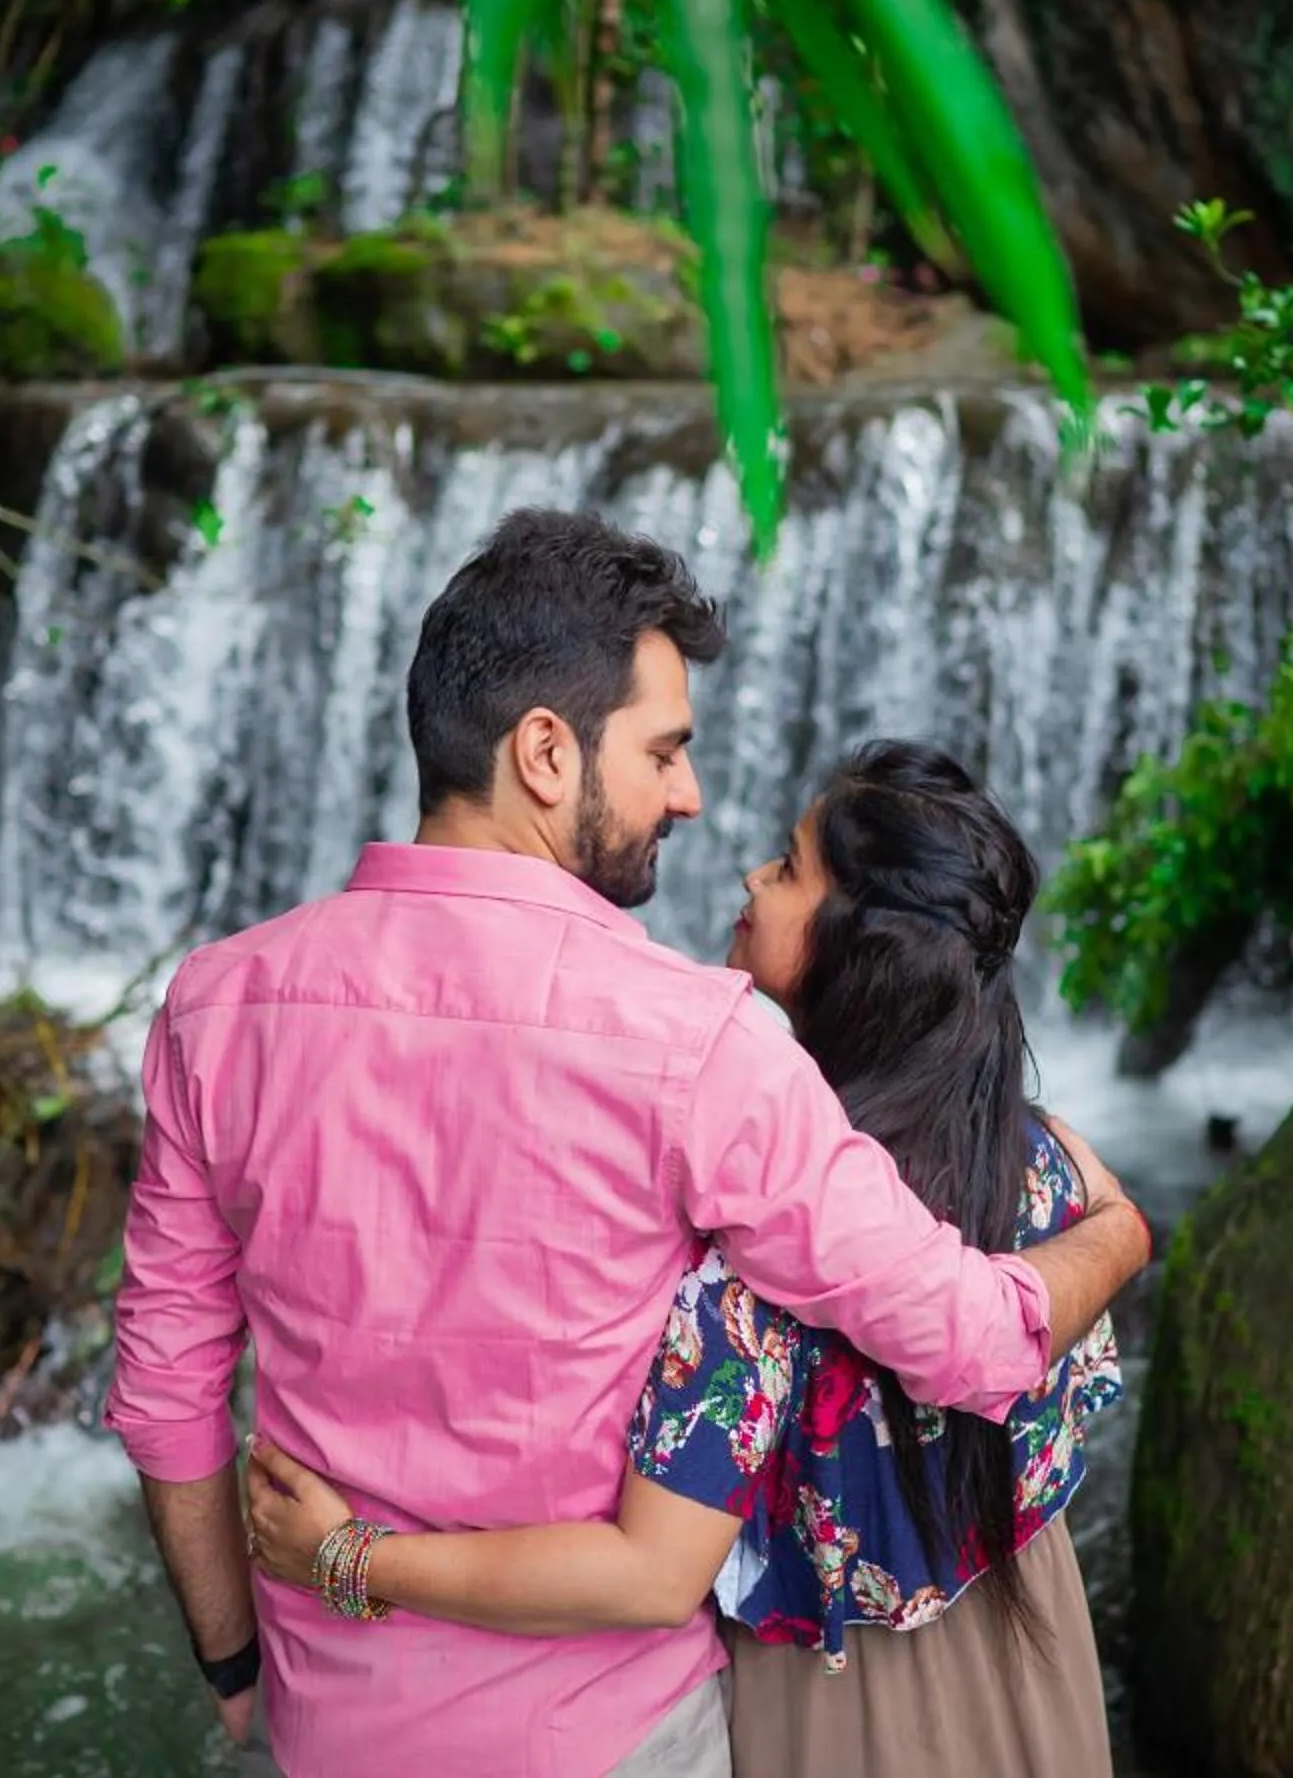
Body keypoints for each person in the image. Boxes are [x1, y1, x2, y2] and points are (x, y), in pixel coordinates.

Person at [104, 511, 1153, 1778]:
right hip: (614, 1738)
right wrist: (1121, 1231)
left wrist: (233, 1664)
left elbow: (168, 1396)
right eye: (665, 750)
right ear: (545, 752)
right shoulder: (698, 1043)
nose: (690, 795)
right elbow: (973, 1338)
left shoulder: (217, 1004)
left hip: (335, 1727)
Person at [244, 741, 1133, 1777]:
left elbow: (646, 1574)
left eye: (792, 867)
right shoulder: (1042, 1164)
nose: (754, 875)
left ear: (866, 946)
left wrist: (346, 1559)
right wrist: (1124, 1227)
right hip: (1033, 1663)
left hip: (843, 1711)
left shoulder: (765, 1267)